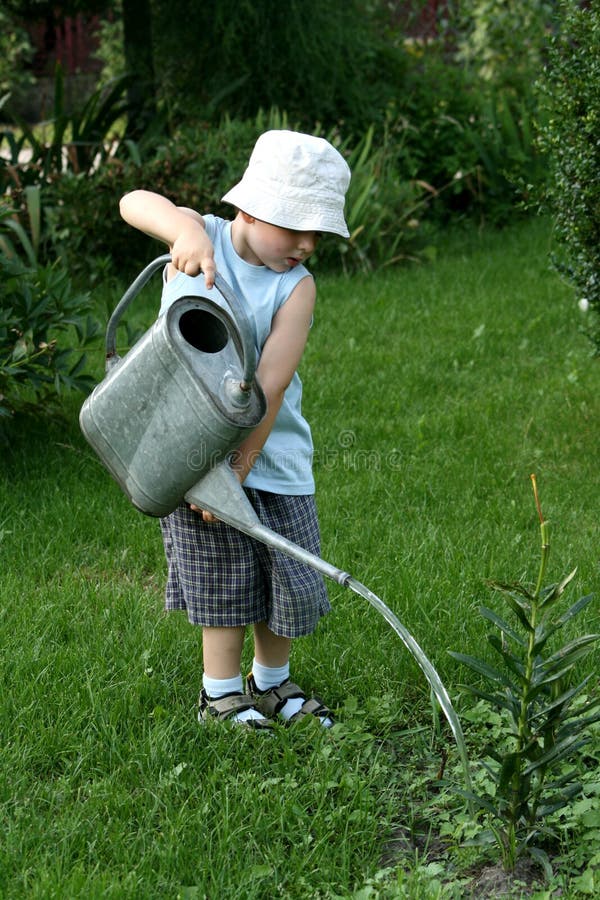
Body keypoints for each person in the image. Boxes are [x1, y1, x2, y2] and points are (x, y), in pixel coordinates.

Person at [119, 130, 351, 729]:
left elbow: (267, 388)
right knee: (221, 577)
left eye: (316, 234)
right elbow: (132, 201)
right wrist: (184, 230)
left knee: (288, 575)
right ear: (249, 208)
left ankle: (271, 683)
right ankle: (220, 693)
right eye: (292, 227)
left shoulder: (295, 287)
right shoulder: (204, 238)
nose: (304, 244)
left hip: (273, 458)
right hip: (189, 450)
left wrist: (240, 469)